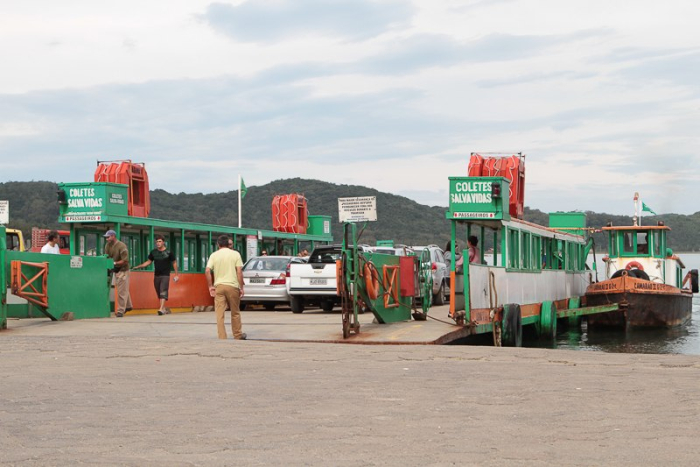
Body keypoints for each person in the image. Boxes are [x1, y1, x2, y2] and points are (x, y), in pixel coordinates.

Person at [206, 235, 246, 340]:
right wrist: (241, 287)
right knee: (235, 312)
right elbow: (239, 272)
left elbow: (207, 271)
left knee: (219, 314)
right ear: (228, 244)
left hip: (219, 287)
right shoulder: (235, 254)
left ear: (218, 244)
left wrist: (210, 286)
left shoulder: (214, 255)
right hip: (232, 286)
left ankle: (222, 336)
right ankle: (237, 334)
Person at [132, 234, 180, 315]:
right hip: (156, 275)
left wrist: (176, 274)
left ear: (163, 242)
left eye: (160, 241)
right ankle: (163, 308)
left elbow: (174, 263)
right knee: (159, 293)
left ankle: (160, 309)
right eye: (157, 242)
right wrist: (138, 266)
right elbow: (148, 262)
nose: (158, 243)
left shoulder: (169, 252)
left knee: (163, 291)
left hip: (165, 275)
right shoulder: (153, 252)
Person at [104, 229, 132, 317]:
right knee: (123, 289)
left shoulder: (122, 246)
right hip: (115, 269)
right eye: (106, 237)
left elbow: (125, 260)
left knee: (121, 291)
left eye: (108, 237)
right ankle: (128, 306)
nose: (107, 239)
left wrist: (114, 263)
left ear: (113, 236)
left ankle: (120, 310)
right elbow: (107, 256)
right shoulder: (107, 245)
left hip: (123, 270)